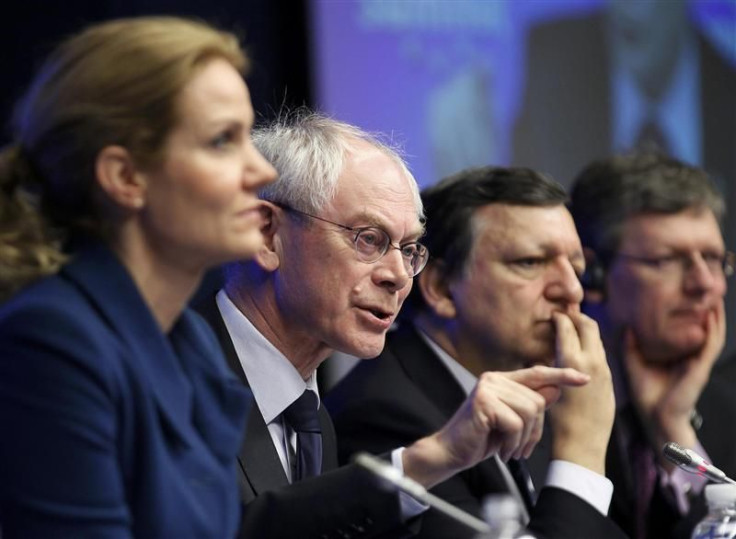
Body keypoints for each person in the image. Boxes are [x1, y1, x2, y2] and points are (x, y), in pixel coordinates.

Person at [196, 111, 598, 538]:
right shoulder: (173, 379)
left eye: (408, 248)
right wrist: (425, 460)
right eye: (369, 239)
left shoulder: (309, 416)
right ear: (267, 234)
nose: (400, 276)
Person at [0, 16, 277, 537]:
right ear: (126, 178)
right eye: (223, 141)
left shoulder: (189, 341)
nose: (262, 171)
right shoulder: (49, 342)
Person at [325, 166, 625, 538]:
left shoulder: (540, 406)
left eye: (577, 268)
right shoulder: (384, 419)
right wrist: (582, 450)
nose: (571, 290)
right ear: (443, 287)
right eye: (530, 262)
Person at [569, 152, 736, 539]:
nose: (705, 284)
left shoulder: (727, 409)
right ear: (590, 274)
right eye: (668, 260)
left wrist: (675, 433)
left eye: (712, 259)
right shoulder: (537, 410)